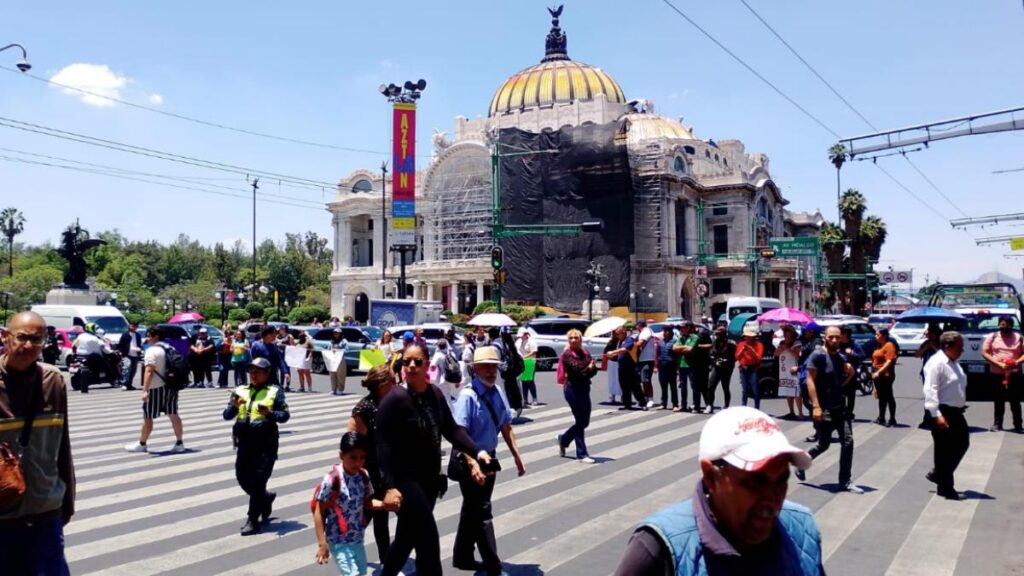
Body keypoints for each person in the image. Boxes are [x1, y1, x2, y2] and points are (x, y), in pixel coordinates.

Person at [612, 406, 822, 575]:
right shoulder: (658, 548)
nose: (773, 499)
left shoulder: (802, 529)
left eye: (782, 481)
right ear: (711, 477)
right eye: (755, 483)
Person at [375, 343, 490, 576]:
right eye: (407, 361)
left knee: (407, 537)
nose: (412, 366)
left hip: (429, 480)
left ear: (427, 364)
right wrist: (389, 486)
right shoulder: (394, 400)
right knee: (428, 538)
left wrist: (478, 452)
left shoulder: (434, 394)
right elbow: (382, 447)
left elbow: (452, 429)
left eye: (417, 361)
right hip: (405, 480)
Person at [0, 311, 76, 575]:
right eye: (22, 337)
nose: (29, 345)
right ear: (6, 337)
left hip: (45, 511)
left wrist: (67, 501)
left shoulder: (52, 381)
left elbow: (62, 446)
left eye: (37, 339)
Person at [452, 346, 526, 574]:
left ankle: (463, 557)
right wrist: (472, 462)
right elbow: (459, 434)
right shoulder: (468, 396)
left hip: (489, 459)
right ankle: (493, 566)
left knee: (472, 509)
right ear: (475, 369)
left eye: (493, 366)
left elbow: (505, 425)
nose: (490, 371)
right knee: (482, 511)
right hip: (469, 460)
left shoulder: (498, 391)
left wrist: (516, 455)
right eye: (485, 366)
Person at [223, 356, 290, 535]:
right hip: (244, 442)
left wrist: (269, 413)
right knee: (242, 478)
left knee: (259, 481)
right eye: (251, 371)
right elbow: (226, 415)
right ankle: (265, 498)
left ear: (267, 374)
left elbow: (284, 415)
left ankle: (252, 520)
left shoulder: (275, 391)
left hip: (265, 444)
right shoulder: (240, 390)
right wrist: (234, 406)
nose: (253, 374)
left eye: (258, 371)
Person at [313, 432, 391, 575]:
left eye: (362, 457)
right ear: (341, 455)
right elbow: (319, 511)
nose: (358, 462)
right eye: (353, 457)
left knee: (361, 573)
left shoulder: (363, 475)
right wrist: (322, 543)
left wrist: (384, 505)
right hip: (338, 541)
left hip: (357, 539)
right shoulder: (332, 480)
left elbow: (367, 502)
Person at [796, 326, 862, 494]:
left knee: (848, 441)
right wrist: (816, 406)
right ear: (825, 337)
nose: (834, 340)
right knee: (823, 444)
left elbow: (841, 382)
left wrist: (851, 374)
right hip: (824, 408)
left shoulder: (840, 357)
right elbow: (810, 380)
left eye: (837, 337)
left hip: (840, 408)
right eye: (831, 337)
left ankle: (845, 481)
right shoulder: (818, 356)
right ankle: (801, 463)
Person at [347, 366, 398, 561]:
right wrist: (355, 471)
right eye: (393, 381)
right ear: (383, 384)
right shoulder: (364, 408)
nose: (396, 384)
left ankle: (349, 541)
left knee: (403, 513)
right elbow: (353, 441)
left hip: (393, 467)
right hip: (373, 470)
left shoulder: (394, 402)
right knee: (379, 514)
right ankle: (385, 558)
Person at [125, 326, 186, 453]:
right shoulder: (169, 348)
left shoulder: (152, 351)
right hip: (171, 386)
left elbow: (149, 371)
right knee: (173, 413)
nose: (147, 338)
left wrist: (145, 390)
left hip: (155, 388)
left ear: (156, 336)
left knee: (148, 416)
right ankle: (179, 443)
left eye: (148, 336)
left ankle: (142, 443)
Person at [922, 332, 969, 500]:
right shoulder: (937, 363)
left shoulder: (953, 361)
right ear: (948, 347)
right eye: (960, 347)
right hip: (943, 411)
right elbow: (930, 390)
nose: (962, 350)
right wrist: (937, 414)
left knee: (959, 445)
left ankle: (940, 476)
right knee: (946, 449)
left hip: (955, 411)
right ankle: (945, 486)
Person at [557, 328, 600, 464]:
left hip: (584, 389)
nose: (574, 340)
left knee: (584, 422)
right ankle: (581, 454)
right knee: (580, 421)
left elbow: (592, 372)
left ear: (581, 339)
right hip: (572, 390)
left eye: (576, 338)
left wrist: (592, 368)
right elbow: (576, 369)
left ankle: (564, 439)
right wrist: (588, 367)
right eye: (571, 338)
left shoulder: (585, 352)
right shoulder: (567, 354)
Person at [981, 316, 1024, 432]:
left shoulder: (1019, 337)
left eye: (1007, 325)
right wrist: (999, 364)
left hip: (1014, 374)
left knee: (1015, 401)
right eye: (1002, 325)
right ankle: (997, 424)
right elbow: (985, 353)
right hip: (997, 373)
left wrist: (1016, 362)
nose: (1004, 327)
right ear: (999, 325)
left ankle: (1018, 425)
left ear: (1011, 326)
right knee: (998, 400)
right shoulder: (992, 336)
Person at [610, 326, 647, 411]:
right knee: (624, 386)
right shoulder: (619, 341)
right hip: (622, 367)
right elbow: (620, 352)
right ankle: (627, 404)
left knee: (635, 386)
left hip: (631, 367)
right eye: (617, 335)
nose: (617, 336)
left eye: (618, 334)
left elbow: (625, 349)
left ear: (623, 333)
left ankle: (642, 403)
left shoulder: (629, 340)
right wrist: (613, 355)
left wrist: (614, 352)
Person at [916, 324, 943, 429]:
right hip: (926, 374)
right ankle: (927, 418)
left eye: (929, 333)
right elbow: (917, 354)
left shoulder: (942, 343)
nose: (927, 334)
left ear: (935, 334)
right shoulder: (926, 343)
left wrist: (933, 347)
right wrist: (926, 347)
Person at [871, 327, 898, 427]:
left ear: (884, 336)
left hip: (885, 374)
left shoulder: (889, 345)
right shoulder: (878, 346)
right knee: (881, 396)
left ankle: (892, 419)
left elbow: (889, 361)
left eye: (878, 335)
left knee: (888, 395)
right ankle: (881, 417)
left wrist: (879, 372)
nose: (876, 336)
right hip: (877, 373)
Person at [774, 324, 803, 420]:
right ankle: (791, 411)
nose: (785, 334)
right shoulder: (781, 342)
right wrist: (780, 348)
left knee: (796, 391)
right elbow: (776, 354)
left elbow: (797, 355)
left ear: (792, 333)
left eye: (787, 331)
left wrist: (787, 348)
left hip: (793, 369)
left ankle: (800, 413)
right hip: (784, 369)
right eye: (784, 332)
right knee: (787, 390)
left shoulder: (797, 342)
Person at [71, 322, 107, 394]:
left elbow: (74, 344)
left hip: (79, 356)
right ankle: (101, 373)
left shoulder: (80, 336)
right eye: (94, 328)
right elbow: (97, 351)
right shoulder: (94, 338)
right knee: (100, 360)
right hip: (89, 357)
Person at [707, 327, 737, 411]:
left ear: (723, 334)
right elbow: (711, 353)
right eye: (716, 334)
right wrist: (714, 361)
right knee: (710, 386)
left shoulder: (731, 343)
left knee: (725, 387)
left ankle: (726, 406)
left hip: (727, 368)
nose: (717, 336)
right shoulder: (715, 342)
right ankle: (710, 405)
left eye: (719, 334)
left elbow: (736, 356)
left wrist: (727, 360)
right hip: (717, 367)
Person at [735, 327, 764, 409]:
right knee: (745, 390)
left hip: (753, 368)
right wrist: (742, 350)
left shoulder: (759, 345)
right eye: (746, 336)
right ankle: (744, 407)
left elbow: (759, 358)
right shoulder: (741, 344)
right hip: (744, 368)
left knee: (755, 389)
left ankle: (757, 408)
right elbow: (737, 357)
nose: (747, 338)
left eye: (749, 336)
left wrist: (752, 351)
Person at [656, 324, 679, 410]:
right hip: (662, 367)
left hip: (671, 367)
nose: (664, 333)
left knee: (673, 386)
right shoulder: (660, 342)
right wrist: (656, 366)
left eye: (665, 331)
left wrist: (677, 369)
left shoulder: (675, 341)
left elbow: (677, 356)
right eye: (664, 331)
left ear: (669, 332)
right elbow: (657, 354)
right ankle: (663, 403)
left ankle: (675, 404)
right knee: (663, 386)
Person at [636, 321, 657, 409]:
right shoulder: (644, 332)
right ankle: (646, 397)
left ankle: (651, 399)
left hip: (647, 359)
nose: (636, 328)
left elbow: (641, 342)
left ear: (639, 325)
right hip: (643, 359)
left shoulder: (646, 331)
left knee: (646, 380)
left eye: (636, 326)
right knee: (643, 380)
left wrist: (630, 347)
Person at [117, 321, 144, 391]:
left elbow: (140, 344)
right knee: (126, 369)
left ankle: (129, 384)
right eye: (132, 326)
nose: (133, 327)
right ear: (129, 326)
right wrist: (120, 352)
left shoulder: (137, 335)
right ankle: (124, 384)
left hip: (135, 355)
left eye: (135, 326)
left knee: (133, 371)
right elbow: (120, 344)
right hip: (127, 354)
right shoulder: (125, 335)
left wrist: (141, 350)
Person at [517, 329, 539, 406]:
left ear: (526, 334)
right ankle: (525, 399)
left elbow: (534, 351)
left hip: (530, 362)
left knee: (529, 380)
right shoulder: (519, 341)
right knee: (524, 381)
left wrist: (524, 356)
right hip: (522, 362)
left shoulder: (531, 340)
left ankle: (534, 398)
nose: (521, 337)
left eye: (522, 336)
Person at [604, 327, 624, 404]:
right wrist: (609, 355)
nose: (614, 334)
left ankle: (623, 396)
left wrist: (615, 353)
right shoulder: (611, 341)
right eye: (613, 333)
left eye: (615, 333)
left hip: (619, 362)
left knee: (620, 380)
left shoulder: (622, 341)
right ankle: (612, 396)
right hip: (611, 362)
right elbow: (605, 351)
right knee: (611, 379)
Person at [328, 328, 349, 396]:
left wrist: (338, 350)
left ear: (340, 334)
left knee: (340, 374)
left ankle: (340, 389)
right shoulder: (332, 341)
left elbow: (347, 349)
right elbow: (328, 349)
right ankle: (333, 389)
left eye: (337, 333)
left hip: (340, 359)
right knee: (332, 374)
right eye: (334, 333)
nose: (336, 334)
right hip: (333, 359)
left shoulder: (344, 341)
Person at [275, 325, 293, 391]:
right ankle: (281, 384)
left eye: (281, 329)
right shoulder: (277, 336)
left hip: (287, 355)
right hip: (279, 354)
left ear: (284, 329)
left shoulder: (289, 336)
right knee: (281, 370)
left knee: (287, 370)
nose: (279, 330)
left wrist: (283, 345)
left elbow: (292, 346)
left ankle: (287, 385)